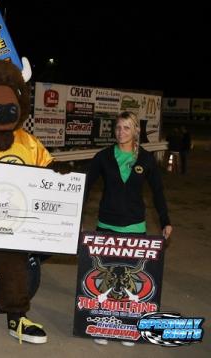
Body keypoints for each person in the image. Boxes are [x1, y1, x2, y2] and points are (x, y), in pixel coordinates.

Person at [85, 111, 173, 347]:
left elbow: (158, 192)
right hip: (106, 227)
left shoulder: (145, 159)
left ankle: (126, 327)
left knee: (129, 280)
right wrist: (73, 217)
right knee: (105, 278)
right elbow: (85, 188)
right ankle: (102, 324)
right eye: (118, 128)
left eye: (126, 128)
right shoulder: (103, 157)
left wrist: (165, 221)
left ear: (136, 131)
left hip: (135, 228)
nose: (120, 132)